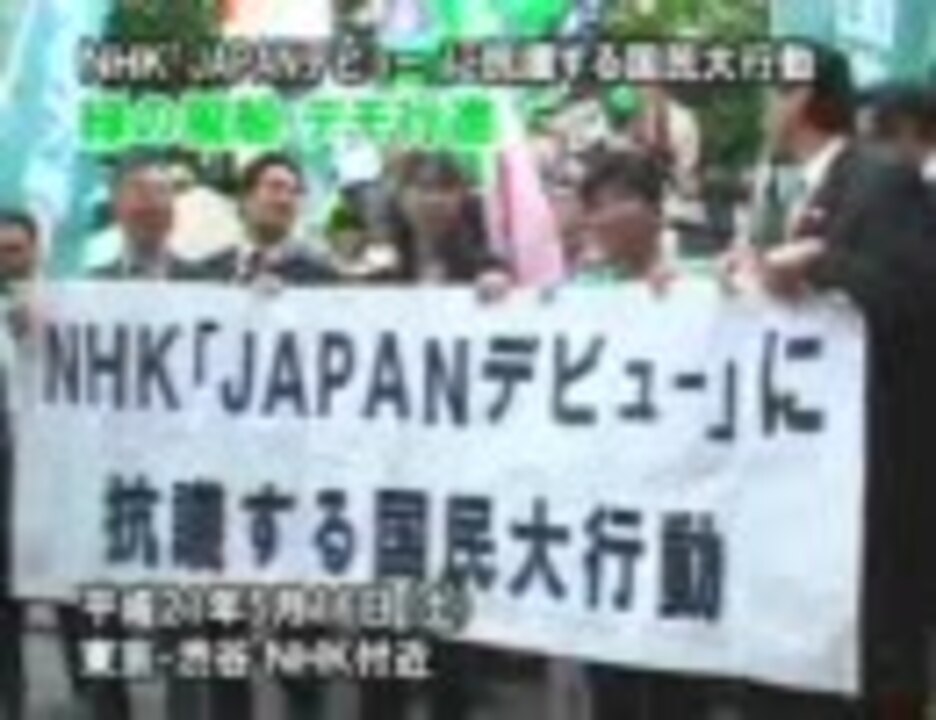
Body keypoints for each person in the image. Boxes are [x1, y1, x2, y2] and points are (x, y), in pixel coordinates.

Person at [727, 45, 936, 720]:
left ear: (800, 97)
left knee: (878, 650)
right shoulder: (785, 189)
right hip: (805, 474)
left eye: (770, 90)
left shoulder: (882, 181)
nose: (762, 107)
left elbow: (914, 296)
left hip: (877, 469)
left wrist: (820, 265)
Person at [198, 152, 337, 720]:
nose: (283, 197)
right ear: (245, 197)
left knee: (299, 634)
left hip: (295, 480)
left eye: (292, 189)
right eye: (272, 186)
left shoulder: (325, 280)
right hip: (220, 479)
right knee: (223, 635)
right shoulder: (202, 275)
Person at [0, 208, 41, 720]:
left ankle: (90, 696)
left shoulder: (76, 302)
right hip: (7, 475)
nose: (6, 260)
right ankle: (15, 702)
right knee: (7, 605)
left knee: (78, 607)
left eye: (15, 249)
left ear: (35, 250)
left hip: (61, 476)